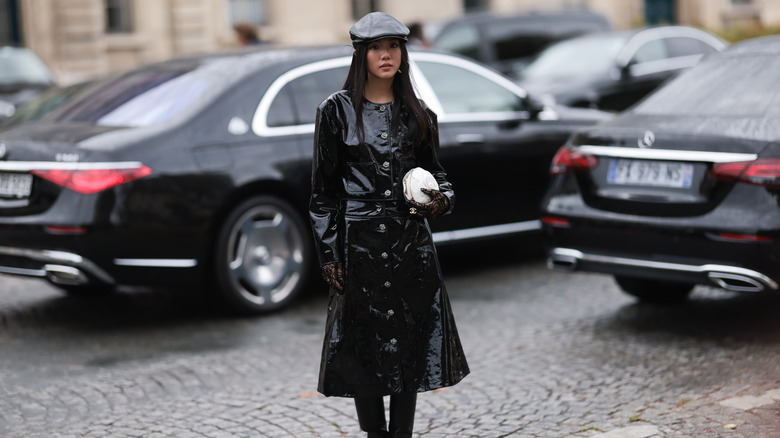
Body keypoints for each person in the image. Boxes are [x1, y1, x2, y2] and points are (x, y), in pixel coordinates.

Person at [309, 11, 470, 438]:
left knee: (410, 345)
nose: (386, 55)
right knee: (365, 347)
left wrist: (442, 200)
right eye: (376, 47)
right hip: (357, 247)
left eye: (394, 46)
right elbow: (322, 194)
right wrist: (329, 254)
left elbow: (441, 176)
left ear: (403, 53)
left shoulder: (418, 114)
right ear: (361, 54)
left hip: (410, 247)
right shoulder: (335, 111)